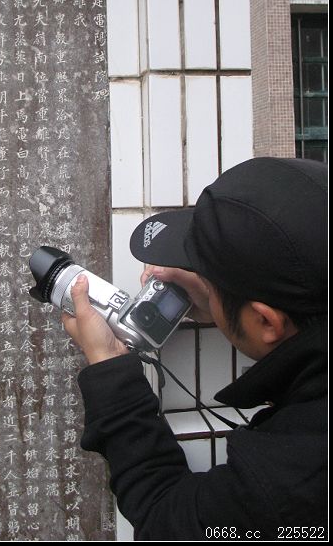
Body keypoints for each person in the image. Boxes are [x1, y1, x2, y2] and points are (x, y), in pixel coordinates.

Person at [61, 157, 327, 540]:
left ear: (266, 322)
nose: (200, 284)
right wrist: (225, 304)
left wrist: (109, 363)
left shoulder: (291, 484)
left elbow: (166, 518)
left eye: (209, 282)